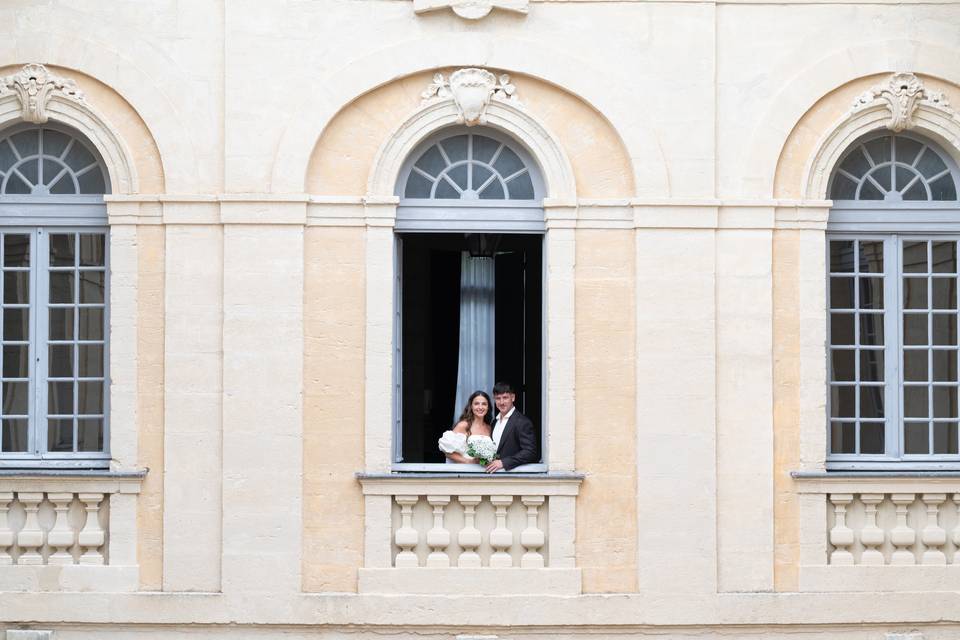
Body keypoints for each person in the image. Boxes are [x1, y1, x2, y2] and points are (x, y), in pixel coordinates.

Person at [486, 381, 538, 473]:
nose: (501, 402)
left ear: (513, 398)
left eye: (505, 398)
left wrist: (504, 462)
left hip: (513, 477)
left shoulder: (522, 422)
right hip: (494, 476)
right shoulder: (494, 422)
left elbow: (530, 452)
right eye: (498, 398)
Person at [438, 390, 494, 463]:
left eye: (484, 404)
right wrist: (469, 462)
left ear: (488, 407)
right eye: (476, 404)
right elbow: (448, 452)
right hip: (465, 470)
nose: (480, 407)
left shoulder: (489, 428)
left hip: (484, 471)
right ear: (471, 406)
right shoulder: (463, 425)